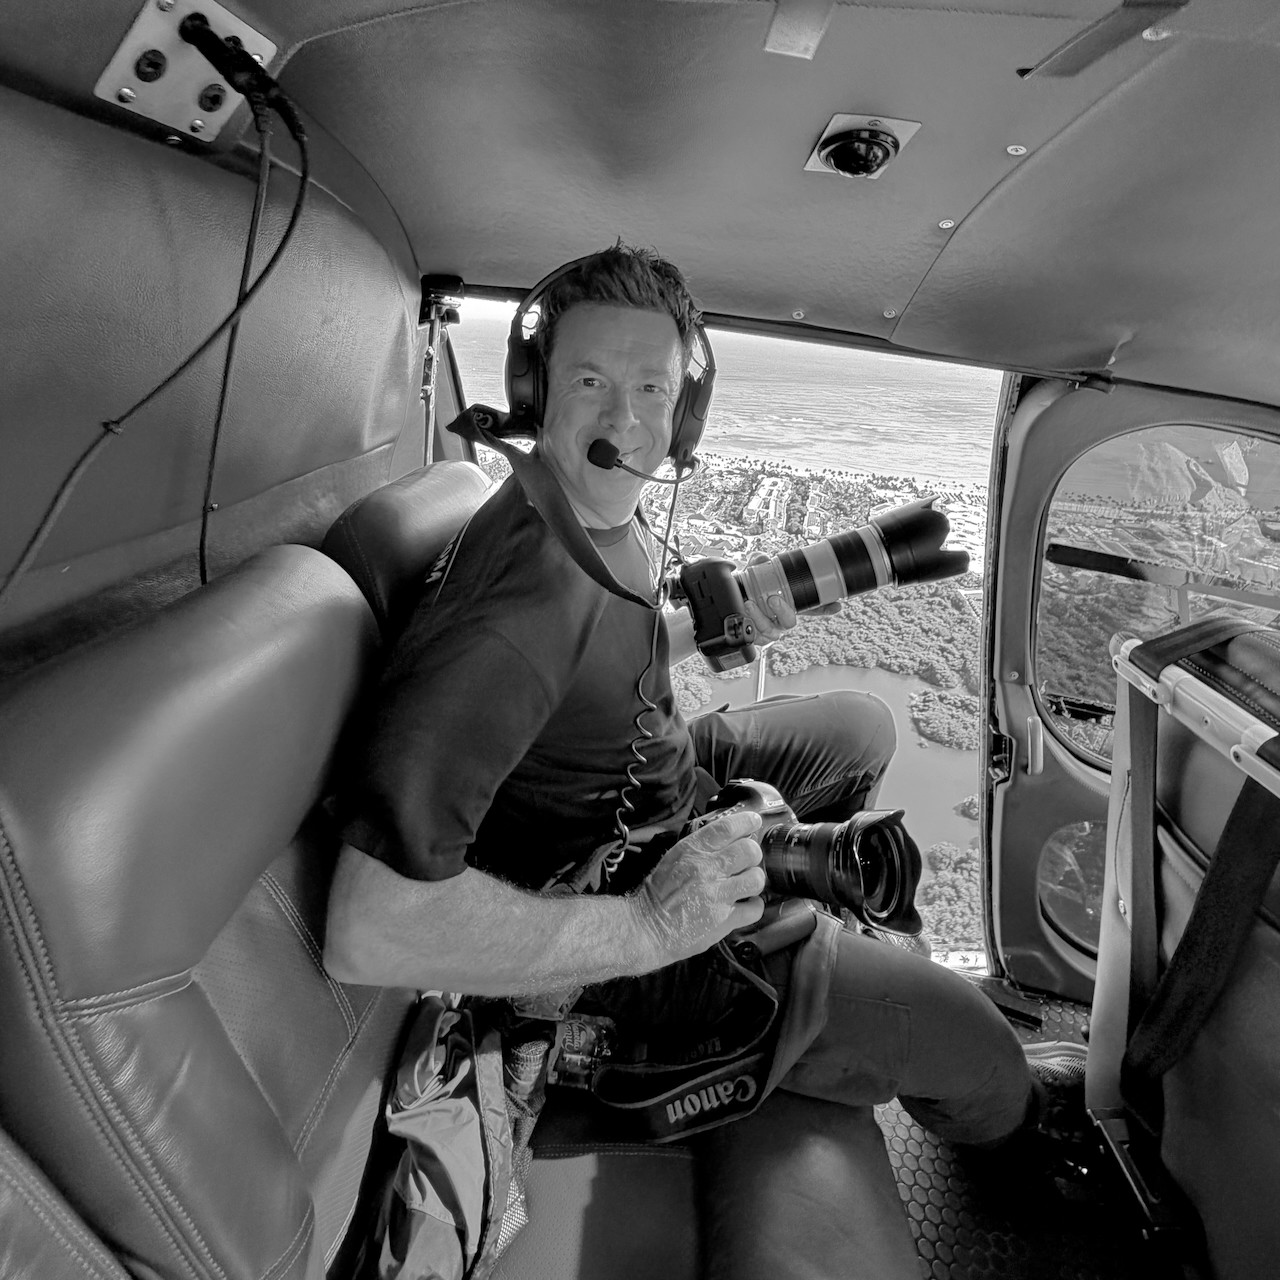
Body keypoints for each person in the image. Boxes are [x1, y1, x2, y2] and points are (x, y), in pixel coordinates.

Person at [324, 244, 1084, 1276]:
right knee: (972, 1045)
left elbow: (613, 652)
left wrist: (818, 580)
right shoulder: (508, 621)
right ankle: (1006, 1133)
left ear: (686, 406)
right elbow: (368, 927)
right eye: (589, 380)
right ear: (535, 389)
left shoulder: (582, 511)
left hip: (646, 781)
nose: (625, 419)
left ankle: (812, 933)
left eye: (652, 387)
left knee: (858, 727)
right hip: (604, 892)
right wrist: (649, 923)